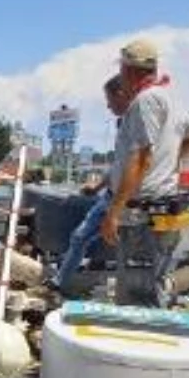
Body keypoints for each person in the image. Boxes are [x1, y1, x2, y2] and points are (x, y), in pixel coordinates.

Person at [98, 39, 189, 308]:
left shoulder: (145, 101)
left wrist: (114, 212)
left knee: (138, 296)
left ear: (129, 70)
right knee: (153, 286)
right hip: (158, 210)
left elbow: (140, 158)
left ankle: (138, 344)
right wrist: (169, 158)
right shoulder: (169, 98)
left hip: (141, 215)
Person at [50, 74, 135, 296]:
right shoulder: (123, 124)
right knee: (79, 238)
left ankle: (129, 294)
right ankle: (59, 282)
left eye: (109, 100)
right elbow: (118, 165)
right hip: (110, 196)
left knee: (128, 249)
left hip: (129, 200)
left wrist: (116, 209)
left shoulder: (140, 124)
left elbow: (135, 166)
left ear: (121, 94)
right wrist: (96, 189)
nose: (107, 106)